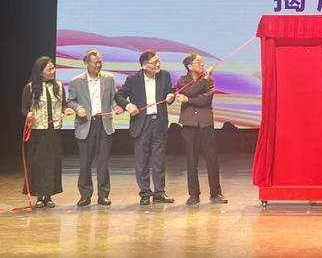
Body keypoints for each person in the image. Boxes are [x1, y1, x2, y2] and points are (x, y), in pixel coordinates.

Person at [114, 50, 176, 205]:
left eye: (159, 61)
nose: (158, 65)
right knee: (142, 161)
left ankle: (160, 193)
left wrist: (171, 97)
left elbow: (171, 91)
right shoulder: (133, 79)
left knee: (159, 161)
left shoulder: (165, 76)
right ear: (144, 65)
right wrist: (128, 106)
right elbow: (119, 96)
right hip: (142, 124)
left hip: (159, 122)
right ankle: (145, 193)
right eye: (155, 62)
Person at [66, 49, 124, 207]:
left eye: (100, 62)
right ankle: (85, 195)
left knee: (103, 161)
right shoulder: (76, 81)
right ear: (86, 63)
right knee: (85, 162)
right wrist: (78, 108)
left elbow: (113, 99)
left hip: (104, 124)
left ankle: (103, 195)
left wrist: (117, 107)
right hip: (86, 124)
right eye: (95, 62)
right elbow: (70, 101)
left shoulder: (109, 78)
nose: (98, 65)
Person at [21, 56, 73, 208]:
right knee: (38, 163)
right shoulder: (30, 87)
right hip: (37, 132)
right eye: (49, 69)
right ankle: (39, 196)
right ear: (40, 72)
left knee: (52, 162)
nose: (53, 71)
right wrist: (29, 114)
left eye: (53, 68)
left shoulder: (58, 86)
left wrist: (66, 110)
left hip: (53, 131)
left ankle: (49, 195)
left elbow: (63, 105)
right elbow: (24, 108)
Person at [176, 53, 227, 205]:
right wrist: (200, 85)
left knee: (212, 159)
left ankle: (215, 193)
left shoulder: (209, 79)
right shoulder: (182, 80)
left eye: (202, 62)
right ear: (190, 66)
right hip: (189, 124)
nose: (202, 64)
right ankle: (194, 194)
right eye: (198, 62)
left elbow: (206, 99)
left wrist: (188, 100)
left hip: (205, 123)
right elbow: (190, 91)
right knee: (191, 160)